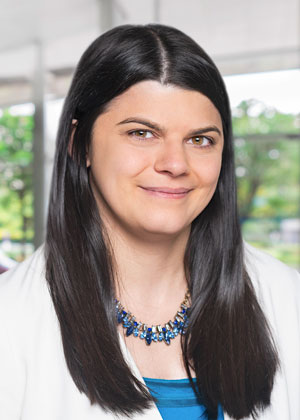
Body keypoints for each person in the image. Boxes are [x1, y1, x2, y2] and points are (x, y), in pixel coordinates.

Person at [0, 24, 299, 420]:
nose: (175, 164)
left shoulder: (287, 297)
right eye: (142, 133)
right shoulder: (11, 318)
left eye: (200, 140)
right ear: (80, 143)